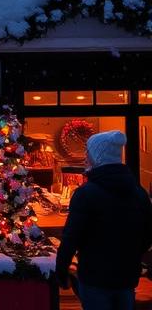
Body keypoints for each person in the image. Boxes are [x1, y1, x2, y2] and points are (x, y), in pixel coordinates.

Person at [55, 130, 152, 309]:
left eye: (88, 153)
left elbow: (71, 238)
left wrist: (61, 271)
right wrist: (130, 255)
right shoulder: (139, 193)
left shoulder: (86, 194)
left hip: (94, 276)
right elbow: (147, 234)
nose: (85, 157)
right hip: (126, 277)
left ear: (97, 157)